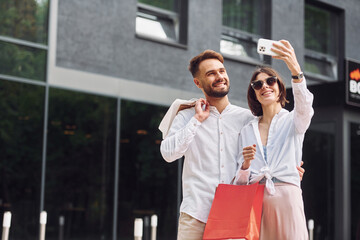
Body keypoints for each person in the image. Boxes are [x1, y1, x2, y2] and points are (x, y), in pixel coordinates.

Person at [160, 49, 305, 240]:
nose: (219, 76)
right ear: (198, 82)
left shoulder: (247, 119)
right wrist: (196, 120)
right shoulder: (187, 116)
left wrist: (290, 167)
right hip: (196, 213)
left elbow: (266, 153)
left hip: (234, 214)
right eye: (211, 73)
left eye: (221, 71)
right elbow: (168, 153)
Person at [235, 40, 313, 240]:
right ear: (254, 92)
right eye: (258, 84)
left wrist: (295, 68)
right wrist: (245, 165)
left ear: (279, 87)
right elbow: (239, 183)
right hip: (255, 201)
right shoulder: (246, 130)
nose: (265, 86)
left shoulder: (293, 120)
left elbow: (305, 107)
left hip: (287, 196)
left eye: (270, 81)